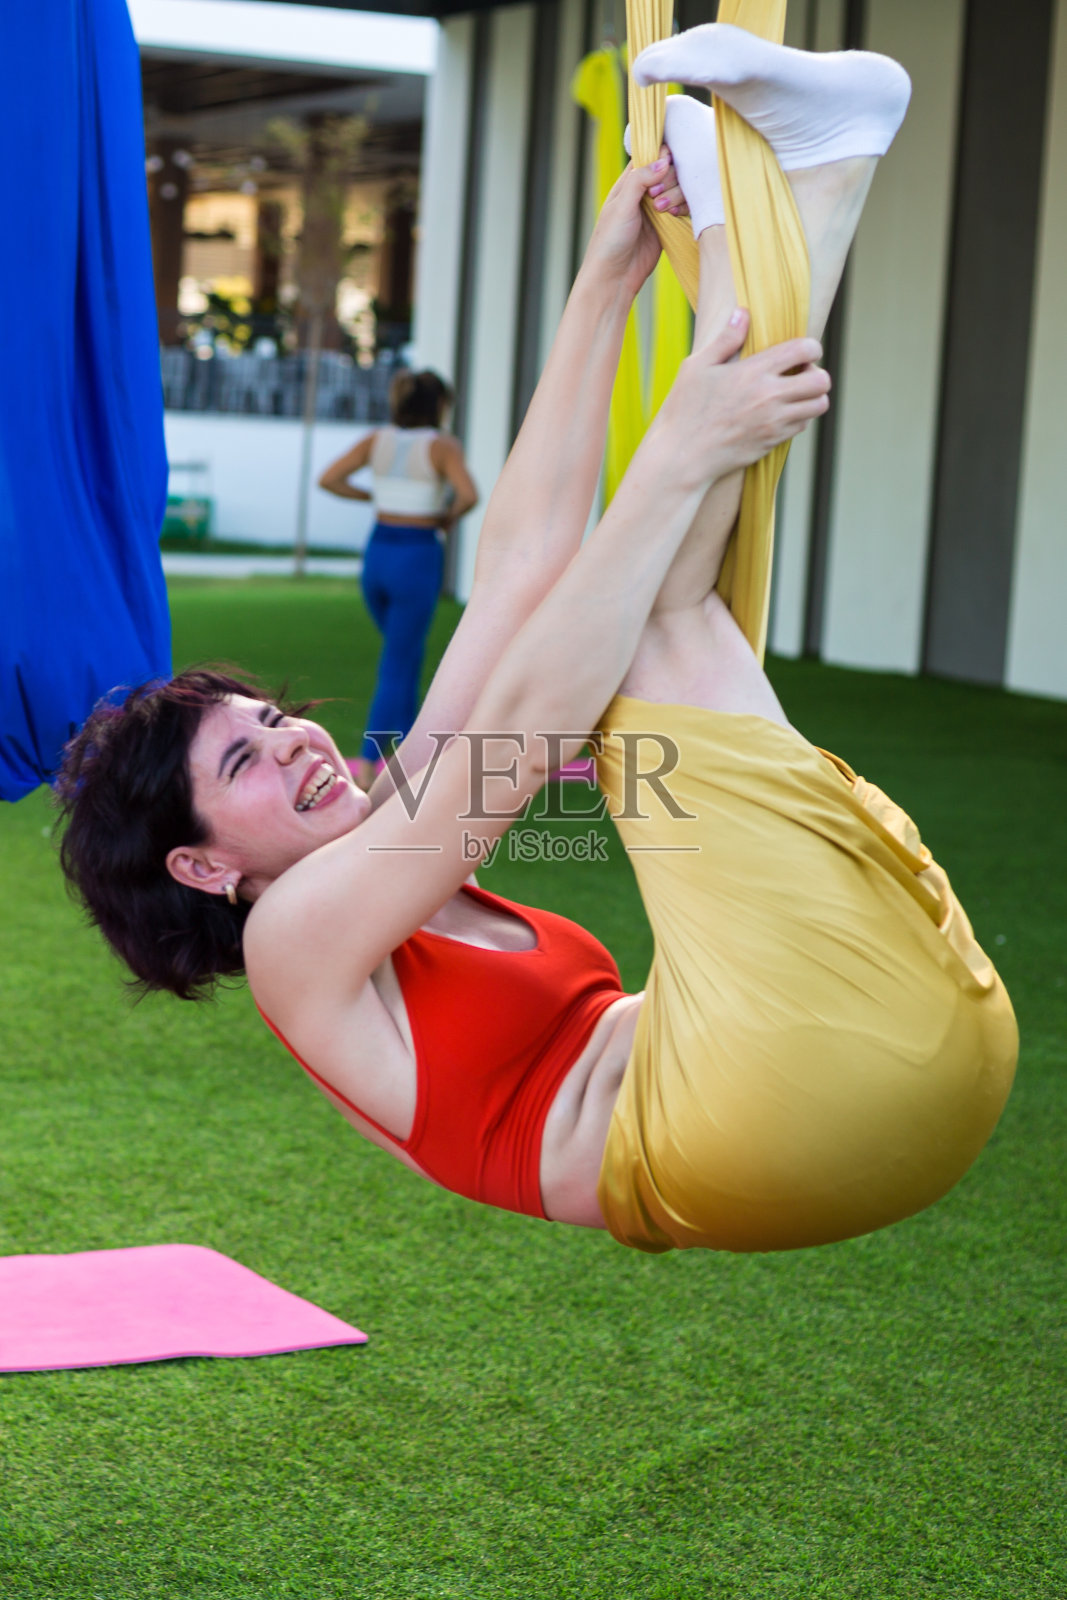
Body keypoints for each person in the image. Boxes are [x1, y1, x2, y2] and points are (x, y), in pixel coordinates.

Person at [58, 31, 1016, 1255]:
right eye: (243, 760)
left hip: (896, 1049)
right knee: (639, 636)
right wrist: (675, 452)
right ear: (200, 867)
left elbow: (514, 567)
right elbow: (522, 733)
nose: (293, 738)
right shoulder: (294, 947)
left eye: (272, 718)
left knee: (648, 614)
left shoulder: (386, 838)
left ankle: (825, 176)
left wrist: (605, 278)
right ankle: (808, 188)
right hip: (769, 1117)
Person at [318, 369, 479, 790]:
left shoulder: (377, 440)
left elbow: (329, 479)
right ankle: (369, 764)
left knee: (404, 657)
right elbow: (469, 495)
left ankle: (411, 751)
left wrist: (376, 496)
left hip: (378, 553)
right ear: (439, 405)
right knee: (398, 661)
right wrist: (446, 516)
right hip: (417, 555)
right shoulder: (442, 446)